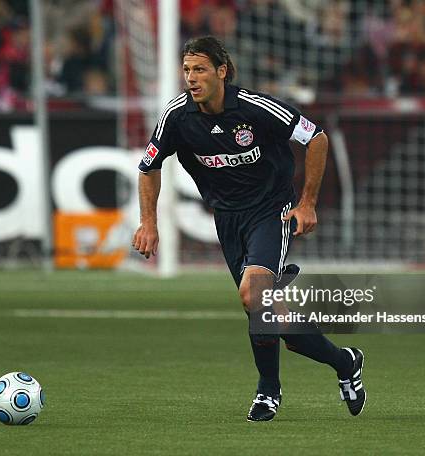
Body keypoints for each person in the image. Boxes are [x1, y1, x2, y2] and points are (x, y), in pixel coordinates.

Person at [132, 36, 366, 421]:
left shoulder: (257, 108)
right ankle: (345, 363)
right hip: (227, 220)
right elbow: (148, 167)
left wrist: (307, 203)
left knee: (252, 295)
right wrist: (148, 223)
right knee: (272, 317)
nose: (191, 78)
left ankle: (267, 392)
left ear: (221, 72)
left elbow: (317, 137)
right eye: (187, 70)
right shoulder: (176, 117)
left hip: (271, 210)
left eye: (200, 69)